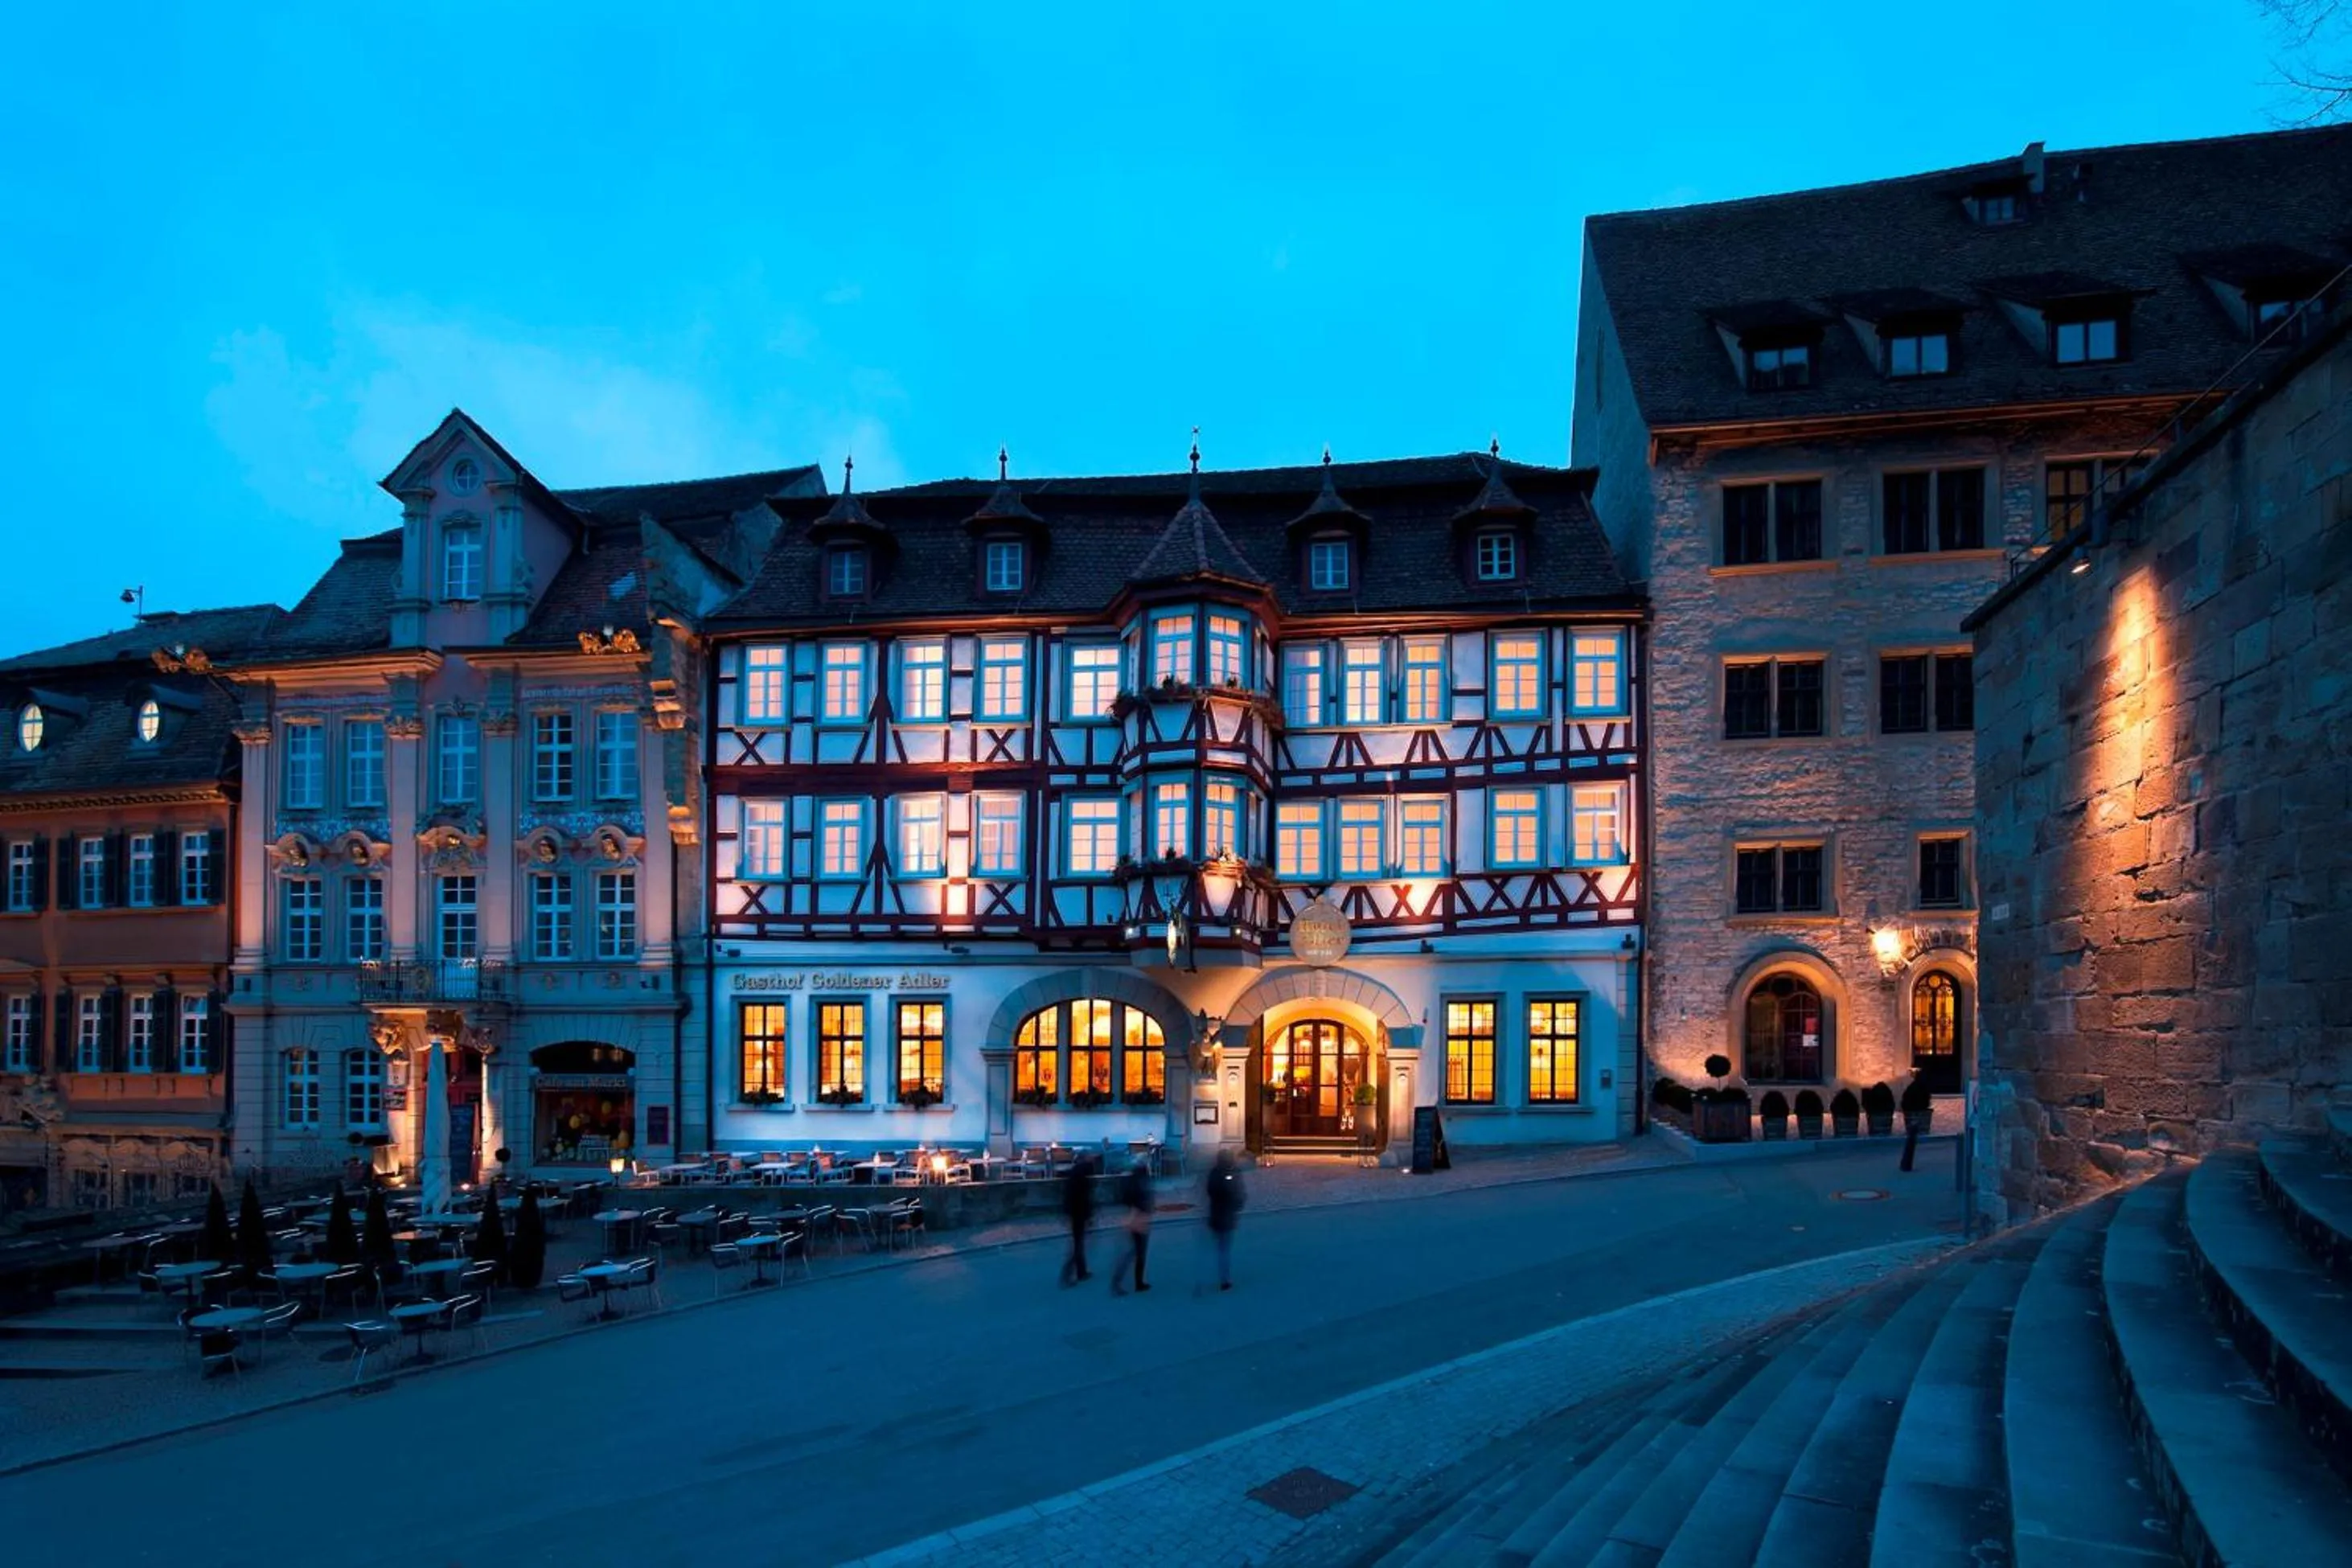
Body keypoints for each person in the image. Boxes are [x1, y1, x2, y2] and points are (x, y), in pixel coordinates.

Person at [1110, 1156, 1155, 1295]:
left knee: (1135, 1251)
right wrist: (1147, 1208)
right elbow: (1144, 1198)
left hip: (1133, 1216)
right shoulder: (1142, 1181)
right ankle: (1135, 1283)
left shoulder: (1131, 1179)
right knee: (1138, 1252)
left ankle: (1130, 1281)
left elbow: (1126, 1198)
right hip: (1139, 1217)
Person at [1205, 1150, 1245, 1291]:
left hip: (1216, 1214)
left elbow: (1209, 1191)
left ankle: (1223, 1276)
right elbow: (1238, 1193)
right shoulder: (1232, 1173)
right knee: (1224, 1248)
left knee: (1222, 1247)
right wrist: (1238, 1204)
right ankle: (1225, 1279)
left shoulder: (1214, 1173)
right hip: (1227, 1216)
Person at [1058, 1152, 1098, 1286]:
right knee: (1078, 1245)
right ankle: (1068, 1273)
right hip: (1079, 1213)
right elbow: (1085, 1198)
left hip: (1075, 1213)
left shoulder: (1075, 1174)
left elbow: (1069, 1196)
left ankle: (1081, 1272)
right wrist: (1089, 1215)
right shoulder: (1083, 1175)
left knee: (1078, 1243)